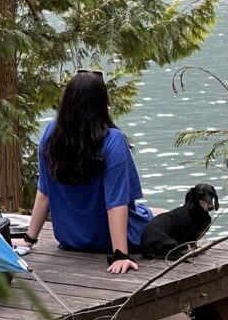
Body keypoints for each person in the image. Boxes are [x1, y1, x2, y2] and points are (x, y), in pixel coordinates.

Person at [18, 70, 152, 274]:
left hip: (71, 238)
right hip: (109, 240)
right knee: (168, 217)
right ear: (102, 103)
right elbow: (116, 202)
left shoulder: (50, 135)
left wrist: (29, 240)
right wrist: (120, 255)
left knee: (153, 214)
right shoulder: (112, 139)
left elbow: (44, 193)